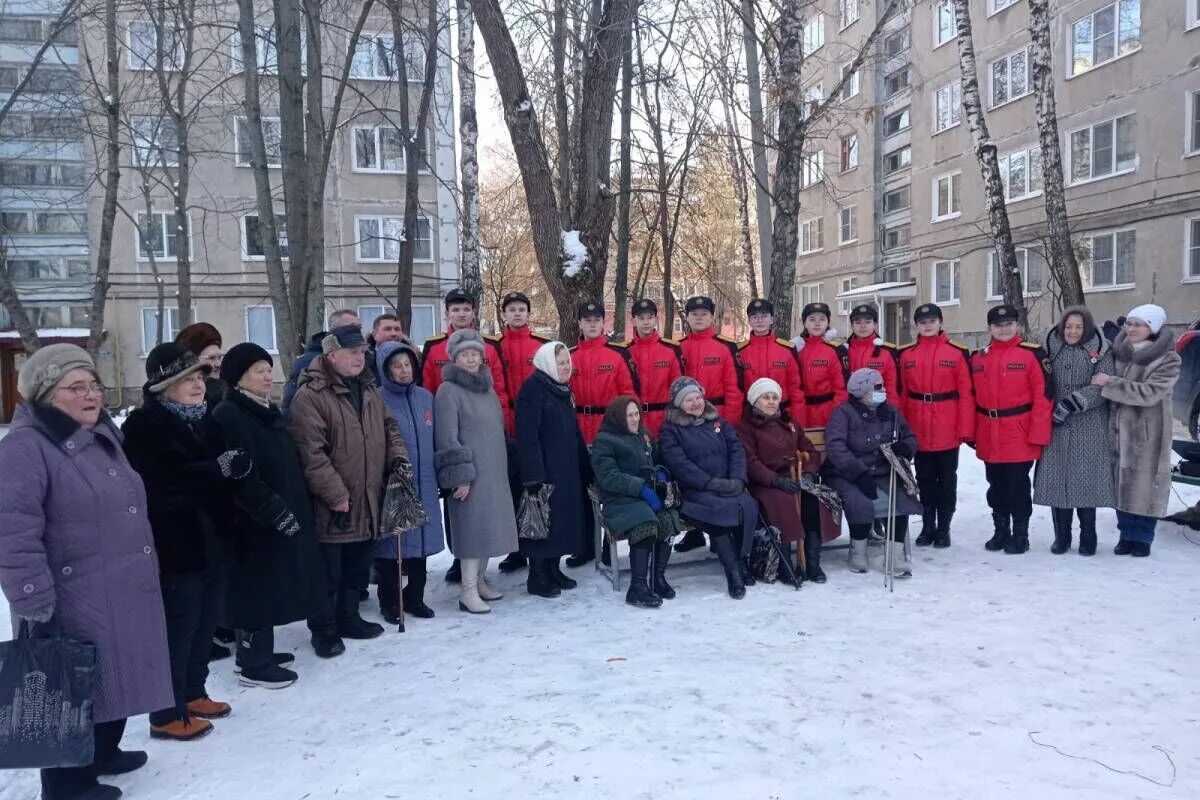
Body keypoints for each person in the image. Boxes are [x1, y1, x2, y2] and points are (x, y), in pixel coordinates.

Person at [0, 344, 172, 800]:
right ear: (44, 394)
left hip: (120, 585)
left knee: (113, 677)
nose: (90, 394)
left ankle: (102, 754)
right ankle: (66, 786)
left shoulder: (100, 435)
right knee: (69, 686)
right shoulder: (25, 448)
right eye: (75, 387)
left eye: (93, 384)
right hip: (69, 595)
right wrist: (32, 597)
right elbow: (12, 532)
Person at [122, 344, 238, 742]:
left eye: (199, 378)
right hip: (174, 544)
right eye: (186, 380)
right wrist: (215, 470)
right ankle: (165, 711)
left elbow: (220, 473)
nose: (197, 386)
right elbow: (158, 485)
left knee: (205, 622)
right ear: (163, 387)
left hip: (212, 539)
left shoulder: (208, 420)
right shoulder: (142, 426)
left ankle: (194, 692)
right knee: (178, 627)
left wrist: (229, 474)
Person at [289, 325, 409, 655]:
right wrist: (335, 493)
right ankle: (323, 628)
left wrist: (397, 459)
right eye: (352, 352)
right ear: (331, 356)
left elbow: (389, 427)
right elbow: (310, 452)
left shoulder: (369, 390)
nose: (360, 357)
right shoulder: (311, 396)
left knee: (356, 567)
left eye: (362, 352)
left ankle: (348, 617)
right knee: (329, 572)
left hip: (369, 494)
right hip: (334, 503)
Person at [212, 343, 326, 684]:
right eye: (258, 370)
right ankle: (253, 664)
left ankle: (258, 652)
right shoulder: (229, 415)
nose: (267, 375)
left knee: (270, 587)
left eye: (267, 368)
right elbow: (239, 474)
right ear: (238, 378)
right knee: (254, 590)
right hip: (251, 521)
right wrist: (271, 510)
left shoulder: (264, 410)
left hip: (275, 512)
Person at [422, 289, 511, 584]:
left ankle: (478, 575)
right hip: (454, 434)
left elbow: (499, 388)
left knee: (486, 512)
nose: (461, 314)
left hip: (486, 441)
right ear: (447, 313)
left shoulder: (488, 347)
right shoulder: (434, 348)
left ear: (473, 313)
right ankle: (461, 565)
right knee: (463, 513)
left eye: (466, 309)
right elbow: (429, 391)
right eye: (455, 309)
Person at [434, 329, 520, 613]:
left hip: (492, 471)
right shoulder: (448, 391)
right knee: (471, 531)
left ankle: (480, 580)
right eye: (464, 355)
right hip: (470, 476)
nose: (471, 360)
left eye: (475, 354)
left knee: (487, 529)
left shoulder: (487, 389)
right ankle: (467, 590)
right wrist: (460, 476)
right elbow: (447, 438)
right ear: (454, 359)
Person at [658, 376, 759, 599]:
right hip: (695, 492)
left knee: (748, 506)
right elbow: (680, 465)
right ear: (678, 404)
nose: (696, 403)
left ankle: (741, 562)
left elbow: (736, 451)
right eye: (688, 400)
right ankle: (733, 574)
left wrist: (738, 480)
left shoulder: (719, 423)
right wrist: (711, 484)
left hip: (729, 485)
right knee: (720, 518)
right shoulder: (670, 430)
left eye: (698, 397)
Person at [1094, 305, 1182, 557]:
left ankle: (1142, 537)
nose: (1131, 328)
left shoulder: (1168, 359)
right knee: (1121, 485)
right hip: (1116, 433)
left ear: (1152, 328)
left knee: (1145, 486)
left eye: (1139, 324)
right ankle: (1126, 534)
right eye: (1129, 323)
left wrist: (1110, 383)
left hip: (1148, 435)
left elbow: (1150, 393)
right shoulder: (1118, 354)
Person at [1032, 306, 1116, 556]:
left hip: (1088, 424)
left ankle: (1088, 535)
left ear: (1086, 328)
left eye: (1078, 327)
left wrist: (1072, 403)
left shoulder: (1101, 350)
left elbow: (1103, 385)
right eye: (1068, 326)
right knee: (1057, 479)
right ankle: (1062, 535)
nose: (1072, 331)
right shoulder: (1050, 348)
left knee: (1084, 480)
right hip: (1055, 425)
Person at [823, 368, 922, 577]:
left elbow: (910, 436)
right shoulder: (843, 413)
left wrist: (905, 447)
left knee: (900, 497)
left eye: (883, 385)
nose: (883, 390)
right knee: (859, 500)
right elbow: (836, 447)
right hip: (848, 472)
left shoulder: (890, 412)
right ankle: (857, 550)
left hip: (883, 470)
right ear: (862, 391)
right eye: (878, 387)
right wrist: (858, 473)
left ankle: (895, 555)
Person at [971, 305, 1054, 554]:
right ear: (989, 328)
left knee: (1017, 485)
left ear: (1017, 326)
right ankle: (1000, 531)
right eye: (998, 325)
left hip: (1019, 431)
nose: (1003, 329)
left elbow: (1044, 397)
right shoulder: (978, 358)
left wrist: (1038, 435)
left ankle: (1020, 535)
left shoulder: (1033, 355)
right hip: (989, 430)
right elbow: (971, 396)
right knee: (995, 484)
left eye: (1008, 324)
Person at [373, 340, 444, 621]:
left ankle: (416, 597)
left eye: (407, 364)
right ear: (385, 369)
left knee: (421, 543)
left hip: (424, 482)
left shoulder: (426, 397)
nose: (403, 371)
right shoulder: (376, 399)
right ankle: (390, 601)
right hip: (394, 482)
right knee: (394, 545)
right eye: (396, 366)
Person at [516, 341, 594, 597]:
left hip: (566, 467)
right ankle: (537, 576)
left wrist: (585, 464)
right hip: (544, 469)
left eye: (567, 363)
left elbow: (573, 431)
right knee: (543, 524)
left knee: (561, 521)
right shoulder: (533, 389)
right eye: (560, 363)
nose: (565, 367)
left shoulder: (562, 389)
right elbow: (528, 436)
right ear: (548, 363)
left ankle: (553, 568)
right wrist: (533, 475)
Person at [591, 395, 683, 608]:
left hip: (645, 495)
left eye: (636, 414)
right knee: (645, 520)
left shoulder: (644, 434)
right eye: (628, 416)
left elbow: (658, 458)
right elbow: (608, 476)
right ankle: (638, 587)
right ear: (617, 418)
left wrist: (660, 474)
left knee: (669, 518)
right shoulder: (604, 441)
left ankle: (658, 578)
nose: (634, 419)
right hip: (619, 499)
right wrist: (639, 488)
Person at [898, 303, 974, 548]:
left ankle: (944, 528)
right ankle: (927, 525)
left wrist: (965, 428)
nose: (928, 325)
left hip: (946, 424)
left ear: (941, 323)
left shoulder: (956, 352)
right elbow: (902, 393)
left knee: (947, 479)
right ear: (916, 326)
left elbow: (966, 392)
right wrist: (902, 428)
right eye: (923, 322)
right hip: (918, 425)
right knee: (924, 479)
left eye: (932, 321)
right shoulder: (906, 354)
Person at [736, 377, 826, 583]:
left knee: (814, 500)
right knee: (782, 502)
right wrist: (777, 480)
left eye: (774, 397)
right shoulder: (745, 428)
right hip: (766, 483)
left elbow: (809, 450)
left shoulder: (791, 423)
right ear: (754, 401)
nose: (771, 401)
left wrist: (809, 473)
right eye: (765, 397)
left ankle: (812, 563)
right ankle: (785, 564)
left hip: (796, 476)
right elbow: (751, 463)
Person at [674, 296, 744, 553]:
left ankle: (720, 532)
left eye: (704, 313)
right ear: (688, 318)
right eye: (694, 314)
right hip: (685, 419)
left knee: (719, 471)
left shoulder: (725, 347)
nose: (699, 318)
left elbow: (734, 389)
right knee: (689, 474)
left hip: (718, 417)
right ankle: (694, 532)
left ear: (712, 317)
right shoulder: (679, 347)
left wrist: (729, 423)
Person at [494, 291, 552, 576]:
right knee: (511, 488)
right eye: (511, 309)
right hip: (505, 423)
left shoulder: (542, 346)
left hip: (537, 424)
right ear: (504, 314)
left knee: (536, 486)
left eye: (521, 309)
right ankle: (514, 549)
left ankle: (538, 546)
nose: (517, 314)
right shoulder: (494, 347)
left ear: (529, 314)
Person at [282, 308, 360, 417]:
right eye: (351, 327)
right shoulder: (310, 361)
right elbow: (295, 406)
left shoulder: (362, 357)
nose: (357, 332)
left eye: (359, 328)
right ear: (334, 330)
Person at [737, 298, 805, 416]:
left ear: (772, 319)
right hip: (751, 415)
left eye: (764, 316)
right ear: (749, 321)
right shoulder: (740, 351)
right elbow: (737, 389)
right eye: (755, 317)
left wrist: (796, 418)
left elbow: (795, 388)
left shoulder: (787, 350)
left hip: (782, 413)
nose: (759, 320)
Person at [627, 298, 683, 436]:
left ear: (656, 319)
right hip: (635, 421)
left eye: (650, 317)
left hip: (665, 421)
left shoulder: (670, 350)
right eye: (641, 318)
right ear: (633, 321)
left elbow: (677, 388)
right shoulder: (625, 352)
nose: (646, 322)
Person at [795, 302, 849, 435]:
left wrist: (836, 416)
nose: (817, 324)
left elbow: (841, 390)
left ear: (828, 323)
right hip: (803, 411)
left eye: (822, 319)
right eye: (812, 319)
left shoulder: (837, 350)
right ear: (805, 323)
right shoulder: (796, 349)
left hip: (828, 411)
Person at [845, 304, 899, 400]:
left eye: (868, 322)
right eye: (857, 322)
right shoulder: (843, 351)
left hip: (877, 406)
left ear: (875, 325)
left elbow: (891, 388)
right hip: (850, 406)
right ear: (852, 326)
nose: (863, 326)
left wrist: (889, 410)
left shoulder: (886, 352)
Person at [175, 321, 227, 405]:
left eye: (219, 357)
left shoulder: (228, 398)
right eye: (211, 358)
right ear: (191, 361)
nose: (218, 364)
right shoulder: (180, 402)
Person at [365, 313, 407, 384]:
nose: (393, 334)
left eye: (397, 329)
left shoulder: (415, 358)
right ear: (374, 334)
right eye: (387, 329)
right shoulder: (363, 360)